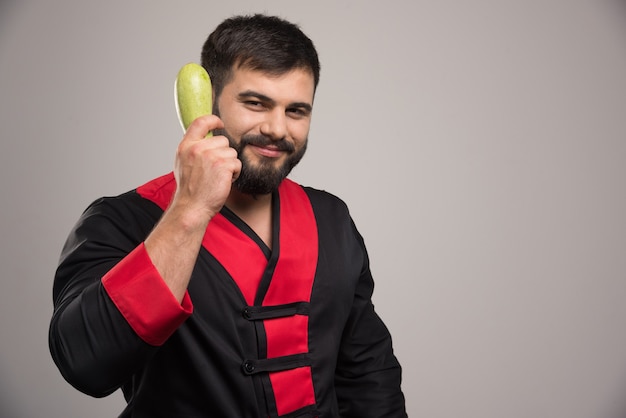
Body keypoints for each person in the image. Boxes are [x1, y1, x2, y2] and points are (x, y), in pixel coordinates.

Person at [49, 13, 407, 418]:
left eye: (296, 111)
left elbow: (369, 377)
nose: (277, 128)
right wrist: (191, 209)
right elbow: (84, 364)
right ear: (209, 104)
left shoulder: (332, 219)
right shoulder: (123, 219)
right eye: (256, 103)